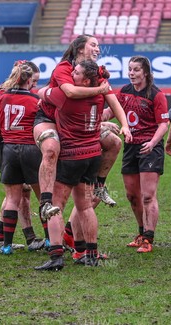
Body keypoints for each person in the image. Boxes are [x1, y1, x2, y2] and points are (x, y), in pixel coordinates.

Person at [34, 34, 132, 224]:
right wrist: (99, 91)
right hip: (48, 117)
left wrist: (126, 126)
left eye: (99, 46)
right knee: (52, 149)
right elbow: (70, 92)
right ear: (80, 49)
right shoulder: (64, 68)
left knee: (114, 142)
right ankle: (45, 201)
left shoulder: (96, 72)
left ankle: (99, 186)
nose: (98, 49)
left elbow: (113, 101)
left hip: (72, 121)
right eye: (93, 45)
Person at [35, 60, 110, 270]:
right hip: (93, 155)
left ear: (85, 80)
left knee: (55, 205)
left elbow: (40, 92)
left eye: (75, 73)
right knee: (85, 207)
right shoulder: (99, 95)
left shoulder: (65, 97)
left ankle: (56, 257)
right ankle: (91, 255)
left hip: (71, 156)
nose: (71, 75)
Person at [0, 61, 46, 252]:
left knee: (18, 194)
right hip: (11, 144)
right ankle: (43, 240)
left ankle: (6, 243)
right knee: (32, 194)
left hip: (10, 147)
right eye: (34, 81)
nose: (36, 85)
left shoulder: (3, 96)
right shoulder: (28, 98)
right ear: (27, 80)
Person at [114, 56, 169, 253]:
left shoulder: (156, 94)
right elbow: (112, 110)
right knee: (132, 196)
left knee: (147, 196)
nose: (132, 73)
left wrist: (153, 143)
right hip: (130, 146)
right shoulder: (125, 92)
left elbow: (164, 124)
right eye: (130, 69)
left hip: (150, 148)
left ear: (145, 72)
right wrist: (95, 118)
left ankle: (148, 238)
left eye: (136, 70)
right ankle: (140, 232)